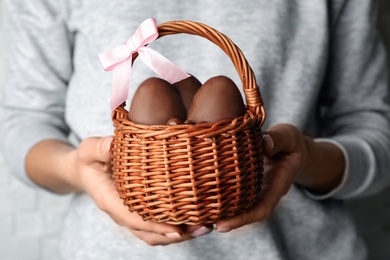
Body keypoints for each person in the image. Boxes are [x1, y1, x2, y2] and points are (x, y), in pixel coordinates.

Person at [1, 0, 390, 259]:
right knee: (155, 91)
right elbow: (22, 124)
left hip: (302, 251)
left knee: (218, 89)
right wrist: (77, 167)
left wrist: (303, 157)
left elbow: (374, 133)